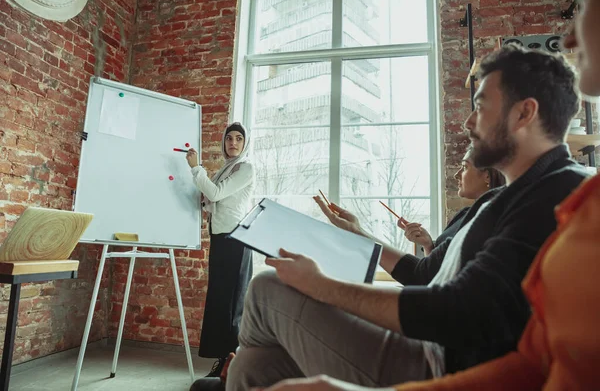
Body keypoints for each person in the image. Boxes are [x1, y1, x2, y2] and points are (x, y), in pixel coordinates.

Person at [216, 45, 588, 391]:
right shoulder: (497, 199)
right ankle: (232, 372)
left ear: (524, 112)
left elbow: (459, 311)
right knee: (254, 367)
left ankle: (226, 373)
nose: (469, 122)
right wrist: (359, 234)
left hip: (436, 363)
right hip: (422, 344)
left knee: (266, 289)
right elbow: (422, 274)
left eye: (481, 106)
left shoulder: (558, 195)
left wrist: (321, 285)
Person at [185, 122, 255, 380]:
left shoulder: (246, 168)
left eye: (238, 138)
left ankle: (232, 365)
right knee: (218, 301)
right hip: (221, 237)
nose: (233, 143)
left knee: (232, 305)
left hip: (237, 238)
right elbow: (209, 199)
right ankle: (222, 362)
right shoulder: (223, 170)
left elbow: (215, 193)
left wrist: (195, 168)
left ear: (245, 143)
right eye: (229, 139)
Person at [402, 147, 506, 256]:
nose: (457, 175)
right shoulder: (463, 214)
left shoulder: (493, 225)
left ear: (487, 176)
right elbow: (433, 269)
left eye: (465, 167)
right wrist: (427, 244)